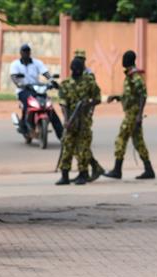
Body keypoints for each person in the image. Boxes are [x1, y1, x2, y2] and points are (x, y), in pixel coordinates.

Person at [103, 51, 155, 180]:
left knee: (121, 139)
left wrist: (139, 115)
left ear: (129, 60)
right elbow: (130, 95)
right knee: (138, 142)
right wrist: (117, 97)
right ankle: (149, 170)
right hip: (132, 112)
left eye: (125, 58)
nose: (123, 61)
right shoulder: (129, 76)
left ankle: (117, 170)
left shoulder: (135, 76)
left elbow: (143, 95)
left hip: (133, 114)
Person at [56, 58, 101, 185]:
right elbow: (63, 104)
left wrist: (88, 105)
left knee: (83, 148)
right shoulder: (66, 84)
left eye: (79, 70)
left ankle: (83, 174)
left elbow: (97, 99)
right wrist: (66, 120)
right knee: (67, 146)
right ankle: (64, 175)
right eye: (75, 70)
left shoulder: (89, 83)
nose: (77, 72)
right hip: (71, 121)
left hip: (84, 121)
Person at [9, 44, 63, 139]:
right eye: (24, 51)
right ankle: (24, 126)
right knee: (27, 105)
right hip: (23, 90)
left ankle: (62, 135)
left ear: (30, 52)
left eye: (27, 51)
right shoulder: (15, 64)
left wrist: (52, 81)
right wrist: (19, 83)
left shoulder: (36, 63)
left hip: (37, 89)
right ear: (21, 53)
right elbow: (14, 77)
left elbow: (45, 72)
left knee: (50, 109)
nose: (26, 53)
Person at [71, 49, 104, 182]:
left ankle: (85, 171)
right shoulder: (76, 71)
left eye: (81, 58)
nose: (79, 60)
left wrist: (89, 109)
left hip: (85, 114)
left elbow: (94, 96)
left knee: (82, 144)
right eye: (77, 58)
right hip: (75, 114)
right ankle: (94, 167)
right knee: (76, 144)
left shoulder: (89, 75)